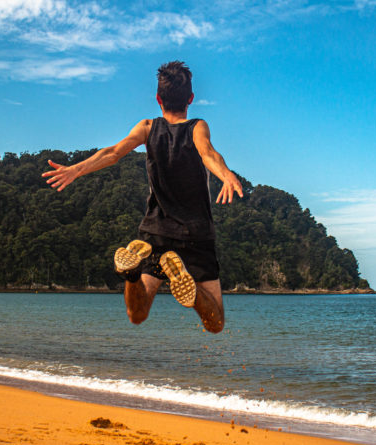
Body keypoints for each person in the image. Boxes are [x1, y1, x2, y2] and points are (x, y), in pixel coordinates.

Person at [42, 61, 243, 333]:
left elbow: (113, 152)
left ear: (158, 99)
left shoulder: (148, 127)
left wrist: (76, 169)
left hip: (155, 232)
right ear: (191, 99)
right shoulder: (197, 127)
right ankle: (190, 288)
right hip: (196, 234)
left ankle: (131, 273)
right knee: (215, 323)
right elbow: (208, 153)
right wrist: (226, 174)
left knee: (137, 314)